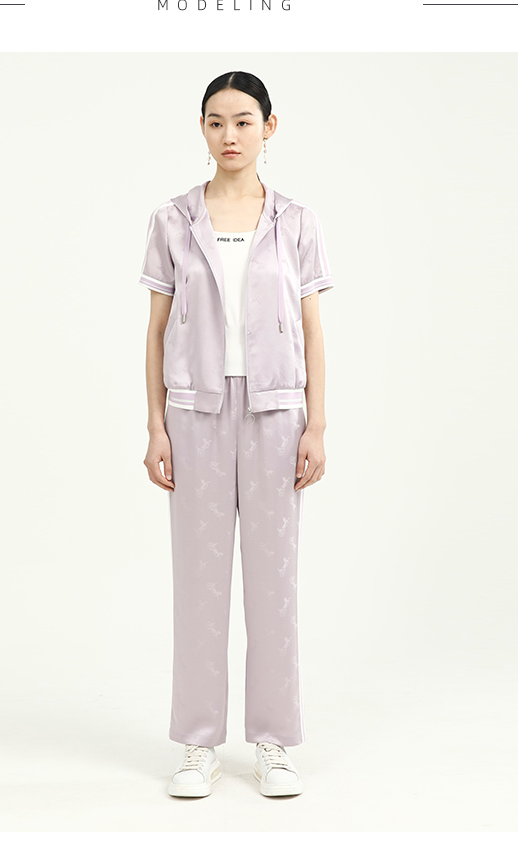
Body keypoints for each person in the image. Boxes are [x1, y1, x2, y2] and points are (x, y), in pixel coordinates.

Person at [139, 71, 334, 798]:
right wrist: (155, 425)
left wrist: (317, 422)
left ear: (268, 128)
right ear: (202, 128)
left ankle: (273, 742)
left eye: (244, 121)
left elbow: (312, 327)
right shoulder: (172, 220)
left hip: (277, 412)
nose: (230, 135)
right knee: (199, 579)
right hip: (193, 411)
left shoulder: (297, 222)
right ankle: (198, 744)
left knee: (274, 582)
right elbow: (156, 331)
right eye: (217, 121)